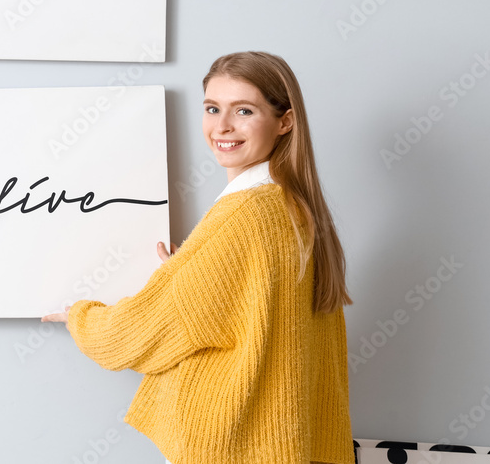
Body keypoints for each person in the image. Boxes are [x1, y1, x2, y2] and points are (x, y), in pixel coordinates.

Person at [42, 51, 355, 464]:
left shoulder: (246, 215)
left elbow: (140, 333)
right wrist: (189, 270)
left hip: (238, 449)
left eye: (244, 110)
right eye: (212, 108)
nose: (222, 126)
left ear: (285, 121)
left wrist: (79, 316)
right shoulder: (293, 207)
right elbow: (246, 309)